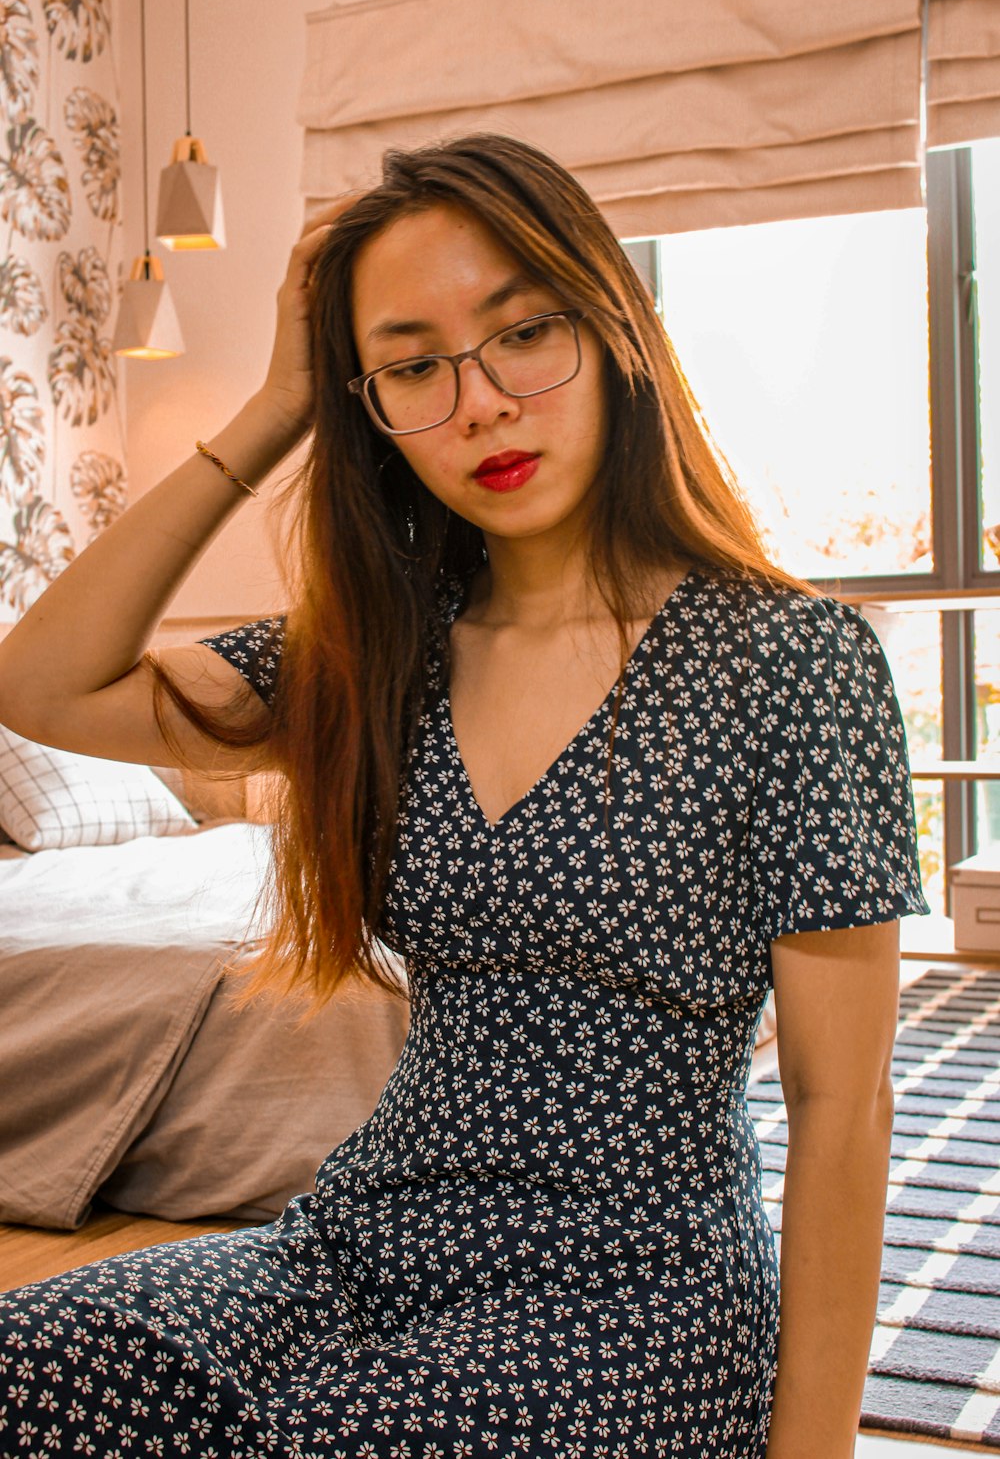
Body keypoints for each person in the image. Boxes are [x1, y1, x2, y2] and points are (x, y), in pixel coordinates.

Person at [0, 133, 929, 1459]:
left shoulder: (792, 663)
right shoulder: (374, 655)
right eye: (411, 368)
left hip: (638, 1297)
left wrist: (814, 1453)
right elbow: (38, 684)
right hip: (358, 1240)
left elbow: (848, 1109)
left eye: (520, 332)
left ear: (611, 326)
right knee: (27, 1367)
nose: (480, 401)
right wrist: (276, 403)